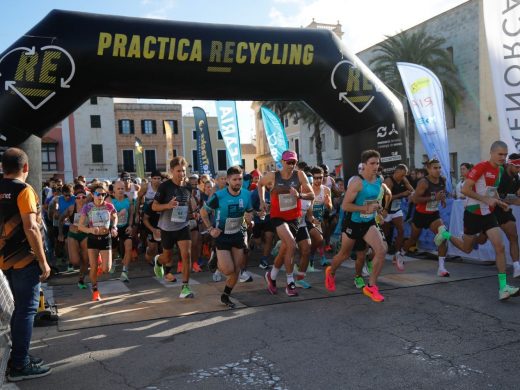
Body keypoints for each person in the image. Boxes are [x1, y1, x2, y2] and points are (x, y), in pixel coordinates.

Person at [440, 141, 519, 300]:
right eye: (500, 154)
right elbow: (465, 189)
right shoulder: (481, 166)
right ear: (491, 153)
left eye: (505, 155)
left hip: (489, 214)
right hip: (472, 213)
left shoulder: (501, 170)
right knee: (467, 249)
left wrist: (499, 202)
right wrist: (485, 199)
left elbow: (492, 192)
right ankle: (446, 234)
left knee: (500, 247)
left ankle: (503, 288)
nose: (503, 158)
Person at [1, 148, 52, 381]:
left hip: (4, 260)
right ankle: (19, 364)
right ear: (26, 168)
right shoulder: (23, 190)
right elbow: (31, 227)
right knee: (26, 309)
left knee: (17, 309)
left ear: (3, 168)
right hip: (24, 259)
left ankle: (18, 357)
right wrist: (43, 261)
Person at [325, 150, 391, 302]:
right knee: (344, 255)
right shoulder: (357, 183)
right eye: (372, 163)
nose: (375, 166)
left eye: (377, 163)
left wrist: (379, 209)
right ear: (364, 165)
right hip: (353, 223)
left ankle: (371, 286)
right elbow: (345, 206)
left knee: (381, 251)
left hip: (368, 222)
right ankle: (331, 271)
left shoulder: (379, 180)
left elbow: (374, 199)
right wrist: (363, 209)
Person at [258, 150, 314, 297]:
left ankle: (272, 276)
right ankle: (290, 283)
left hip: (294, 218)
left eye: (293, 162)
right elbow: (260, 184)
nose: (291, 165)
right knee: (291, 245)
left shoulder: (300, 175)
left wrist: (299, 195)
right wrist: (263, 201)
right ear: (282, 162)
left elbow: (312, 195)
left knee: (284, 249)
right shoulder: (273, 175)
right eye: (288, 162)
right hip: (277, 217)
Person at [200, 166, 254, 308]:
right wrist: (210, 229)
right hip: (222, 235)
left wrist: (250, 220)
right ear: (228, 180)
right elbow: (203, 212)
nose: (238, 182)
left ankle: (225, 295)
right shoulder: (219, 196)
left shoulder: (247, 195)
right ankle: (215, 256)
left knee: (236, 270)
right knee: (228, 270)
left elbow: (249, 215)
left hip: (238, 233)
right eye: (235, 179)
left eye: (240, 179)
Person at [152, 157, 198, 299]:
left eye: (183, 171)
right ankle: (158, 261)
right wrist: (168, 206)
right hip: (167, 227)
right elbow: (154, 206)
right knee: (168, 257)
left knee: (186, 255)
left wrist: (193, 213)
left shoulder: (188, 187)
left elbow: (188, 203)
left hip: (183, 226)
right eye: (178, 171)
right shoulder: (164, 187)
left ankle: (185, 287)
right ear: (171, 171)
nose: (181, 174)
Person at [402, 159, 451, 277]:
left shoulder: (442, 180)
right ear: (428, 169)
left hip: (434, 214)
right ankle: (401, 253)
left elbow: (441, 192)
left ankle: (441, 268)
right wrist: (434, 198)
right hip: (421, 215)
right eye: (435, 168)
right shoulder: (423, 182)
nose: (438, 170)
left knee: (443, 236)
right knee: (413, 239)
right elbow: (415, 199)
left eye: (439, 167)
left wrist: (442, 199)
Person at [77, 183, 118, 301]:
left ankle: (101, 261)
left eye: (103, 194)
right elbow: (80, 226)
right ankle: (95, 290)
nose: (100, 196)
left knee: (107, 269)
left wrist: (114, 227)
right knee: (93, 267)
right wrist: (90, 229)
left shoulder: (109, 206)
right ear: (92, 194)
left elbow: (115, 217)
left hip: (105, 238)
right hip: (93, 240)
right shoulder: (88, 207)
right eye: (98, 194)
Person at [383, 164, 414, 271]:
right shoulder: (389, 181)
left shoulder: (403, 179)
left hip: (396, 209)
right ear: (396, 172)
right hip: (386, 209)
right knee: (385, 233)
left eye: (404, 175)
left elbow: (411, 189)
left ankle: (397, 254)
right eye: (402, 175)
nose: (403, 177)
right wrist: (402, 194)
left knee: (401, 230)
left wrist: (411, 193)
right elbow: (387, 197)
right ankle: (376, 252)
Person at [495, 154, 520, 278]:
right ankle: (468, 238)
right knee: (481, 240)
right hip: (491, 211)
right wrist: (510, 199)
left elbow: (517, 197)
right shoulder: (499, 173)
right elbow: (492, 194)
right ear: (510, 164)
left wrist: (513, 199)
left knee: (513, 237)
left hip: (504, 212)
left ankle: (516, 267)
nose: (518, 170)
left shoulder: (516, 177)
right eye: (517, 167)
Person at [60, 185, 89, 288]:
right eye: (78, 197)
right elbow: (61, 219)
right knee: (75, 261)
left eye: (83, 197)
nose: (81, 199)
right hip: (73, 235)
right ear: (75, 199)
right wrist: (60, 233)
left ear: (86, 199)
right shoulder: (71, 208)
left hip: (85, 234)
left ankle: (81, 279)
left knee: (86, 260)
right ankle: (78, 256)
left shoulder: (90, 209)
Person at [108, 181, 135, 283]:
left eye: (122, 188)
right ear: (114, 190)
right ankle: (114, 261)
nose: (120, 191)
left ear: (125, 189)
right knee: (114, 250)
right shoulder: (110, 201)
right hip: (113, 228)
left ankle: (125, 271)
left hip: (125, 227)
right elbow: (109, 217)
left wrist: (130, 225)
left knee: (129, 247)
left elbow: (131, 214)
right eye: (118, 189)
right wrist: (119, 214)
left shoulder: (129, 200)